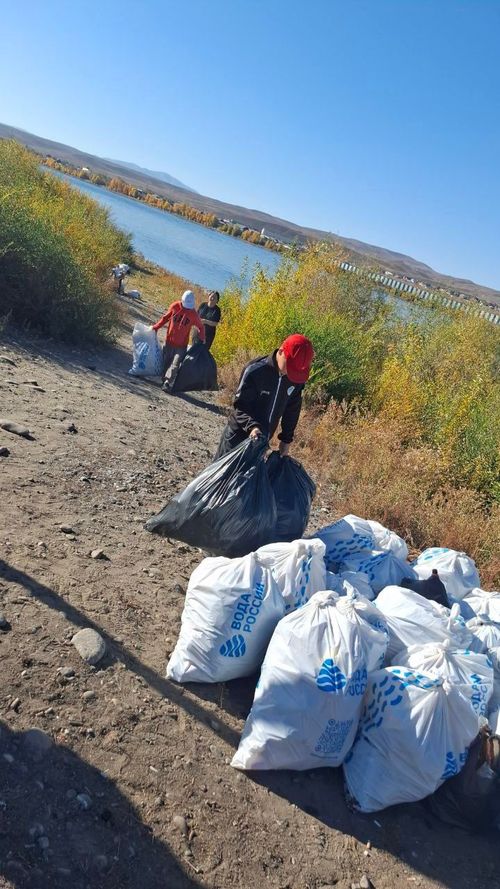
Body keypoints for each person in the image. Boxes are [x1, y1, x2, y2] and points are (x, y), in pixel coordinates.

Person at [214, 334, 314, 459]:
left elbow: (292, 410)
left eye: (297, 370)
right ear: (281, 351)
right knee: (222, 475)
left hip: (262, 441)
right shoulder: (255, 371)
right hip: (237, 436)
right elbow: (240, 407)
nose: (291, 373)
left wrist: (286, 440)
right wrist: (253, 427)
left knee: (249, 478)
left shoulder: (295, 379)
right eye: (291, 367)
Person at [152, 290, 205, 393]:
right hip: (169, 342)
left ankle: (167, 383)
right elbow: (165, 318)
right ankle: (164, 379)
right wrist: (156, 327)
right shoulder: (175, 306)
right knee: (166, 362)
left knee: (175, 364)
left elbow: (201, 327)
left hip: (181, 346)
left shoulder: (193, 314)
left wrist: (202, 339)